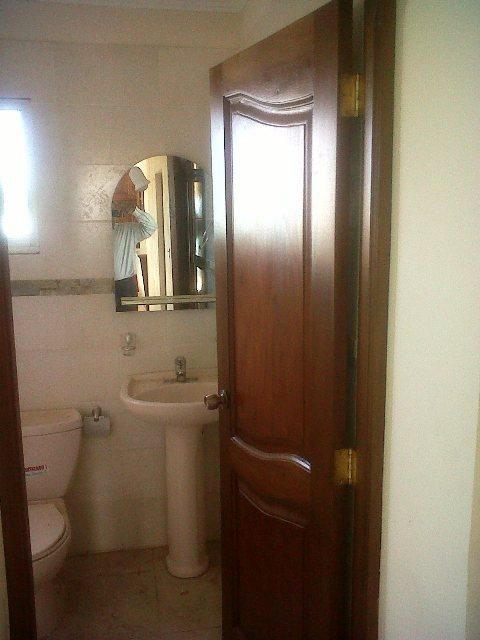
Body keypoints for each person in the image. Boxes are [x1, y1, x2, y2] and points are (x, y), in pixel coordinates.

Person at [113, 167, 157, 311]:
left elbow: (151, 226)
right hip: (102, 285)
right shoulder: (94, 235)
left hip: (126, 285)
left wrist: (134, 210)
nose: (113, 211)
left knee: (131, 319)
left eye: (115, 207)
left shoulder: (127, 229)